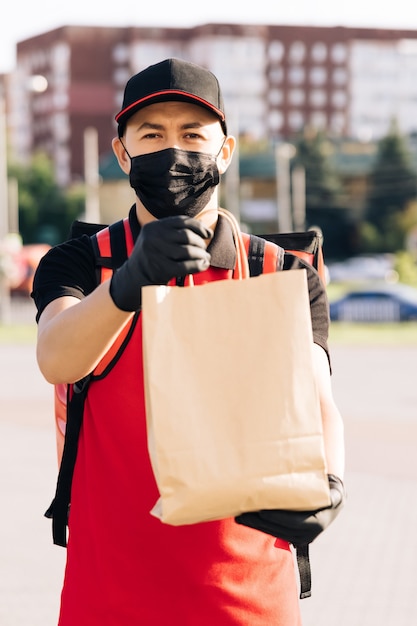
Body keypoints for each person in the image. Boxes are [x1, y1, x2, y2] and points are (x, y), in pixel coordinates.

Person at [32, 58, 345, 626]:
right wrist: (127, 283)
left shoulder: (283, 271)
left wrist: (333, 482)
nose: (173, 150)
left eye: (192, 134)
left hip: (252, 600)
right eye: (151, 134)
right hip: (110, 598)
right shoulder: (81, 263)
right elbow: (56, 356)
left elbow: (319, 399)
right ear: (123, 154)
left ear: (225, 151)